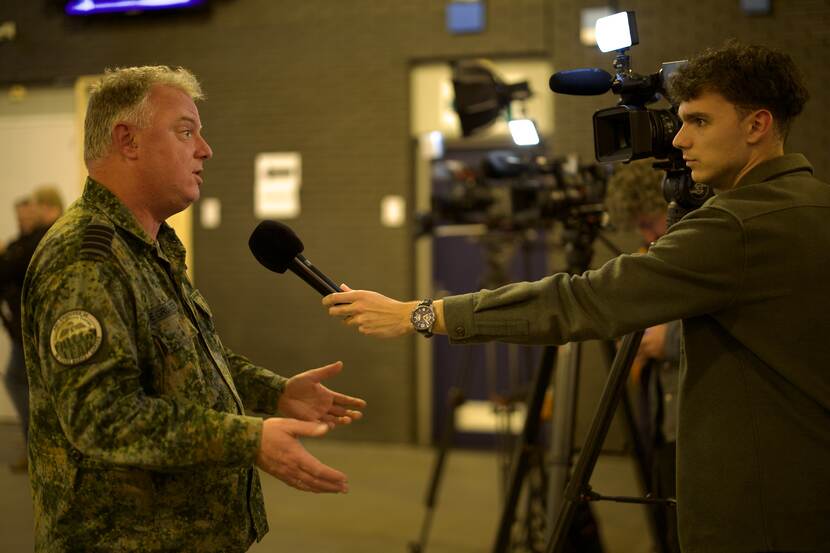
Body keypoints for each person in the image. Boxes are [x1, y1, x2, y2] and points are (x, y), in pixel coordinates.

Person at [323, 42, 830, 553]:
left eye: (699, 121)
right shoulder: (813, 202)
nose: (678, 138)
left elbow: (583, 302)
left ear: (756, 125)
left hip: (758, 511)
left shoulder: (736, 226)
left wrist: (421, 313)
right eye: (679, 120)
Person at [21, 66, 366, 553]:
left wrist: (276, 392)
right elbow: (104, 418)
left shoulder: (150, 244)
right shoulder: (85, 256)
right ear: (128, 141)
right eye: (186, 131)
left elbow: (185, 363)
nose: (205, 149)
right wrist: (250, 439)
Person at [604, 160, 681, 553]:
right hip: (658, 414)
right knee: (666, 523)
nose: (647, 234)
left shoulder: (703, 246)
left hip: (689, 420)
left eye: (651, 222)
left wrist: (666, 340)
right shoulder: (650, 252)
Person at [1, 188, 64, 473]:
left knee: (27, 385)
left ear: (47, 206)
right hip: (30, 328)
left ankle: (37, 447)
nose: (31, 212)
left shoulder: (48, 237)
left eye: (35, 205)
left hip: (36, 327)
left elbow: (11, 269)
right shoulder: (41, 236)